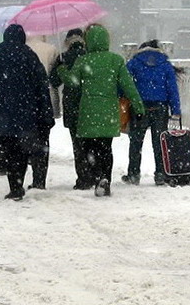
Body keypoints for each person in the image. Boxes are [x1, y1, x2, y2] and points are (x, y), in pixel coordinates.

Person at [57, 24, 144, 197]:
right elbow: (128, 86)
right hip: (109, 113)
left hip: (88, 112)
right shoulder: (115, 60)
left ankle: (98, 177)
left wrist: (62, 70)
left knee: (91, 149)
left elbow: (73, 83)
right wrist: (138, 106)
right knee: (106, 148)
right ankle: (106, 179)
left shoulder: (83, 60)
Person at [0, 24, 54, 200]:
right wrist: (44, 111)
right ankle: (18, 182)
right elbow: (41, 85)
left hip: (1, 112)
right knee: (20, 150)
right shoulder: (29, 55)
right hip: (25, 112)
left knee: (6, 147)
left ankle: (14, 184)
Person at [123, 40, 181, 186]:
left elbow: (125, 83)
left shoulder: (134, 63)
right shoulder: (165, 64)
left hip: (139, 107)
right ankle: (160, 174)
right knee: (159, 142)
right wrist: (176, 109)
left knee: (136, 142)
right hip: (160, 107)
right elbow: (172, 89)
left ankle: (133, 174)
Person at [49, 28, 89, 189]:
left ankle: (83, 178)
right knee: (92, 142)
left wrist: (60, 65)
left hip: (72, 104)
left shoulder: (63, 58)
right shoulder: (90, 56)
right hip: (89, 102)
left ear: (67, 41)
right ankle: (95, 174)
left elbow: (54, 81)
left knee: (77, 144)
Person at [24, 34, 60, 189]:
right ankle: (40, 176)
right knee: (43, 136)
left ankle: (30, 159)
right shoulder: (51, 49)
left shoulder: (25, 50)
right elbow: (54, 75)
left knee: (28, 135)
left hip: (27, 97)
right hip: (46, 95)